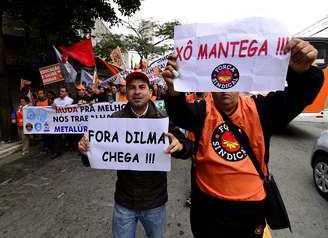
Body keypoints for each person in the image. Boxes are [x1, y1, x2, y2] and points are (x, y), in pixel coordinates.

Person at [162, 38, 324, 237]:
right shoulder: (203, 110)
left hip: (250, 210)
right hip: (208, 210)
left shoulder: (262, 109)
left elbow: (299, 96)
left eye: (229, 80)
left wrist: (302, 72)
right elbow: (180, 114)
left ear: (239, 81)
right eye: (218, 82)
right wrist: (173, 90)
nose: (224, 89)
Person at [78, 71, 193, 238]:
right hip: (124, 202)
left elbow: (187, 149)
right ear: (126, 92)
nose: (137, 92)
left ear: (150, 92)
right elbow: (90, 160)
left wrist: (180, 146)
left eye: (141, 87)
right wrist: (84, 150)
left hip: (155, 203)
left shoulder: (163, 120)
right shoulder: (114, 120)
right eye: (131, 88)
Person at [51, 87, 74, 159]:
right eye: (60, 91)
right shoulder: (56, 100)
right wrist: (53, 106)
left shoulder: (70, 100)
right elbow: (53, 108)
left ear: (66, 93)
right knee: (57, 136)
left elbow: (70, 109)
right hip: (58, 121)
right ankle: (57, 151)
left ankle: (71, 146)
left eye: (63, 91)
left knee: (69, 135)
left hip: (68, 121)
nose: (61, 93)